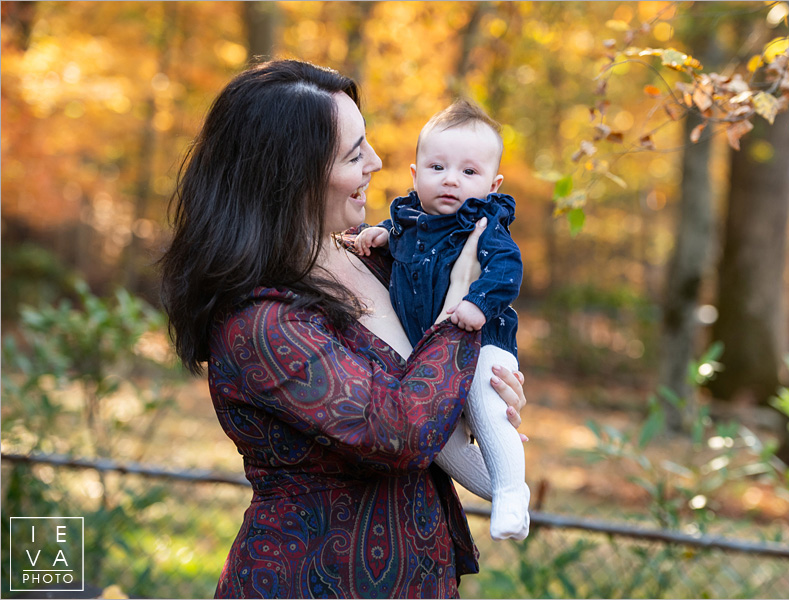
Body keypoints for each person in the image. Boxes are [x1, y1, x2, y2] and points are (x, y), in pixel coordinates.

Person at [158, 60, 528, 599]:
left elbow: (432, 386)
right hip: (312, 581)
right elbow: (400, 433)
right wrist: (459, 311)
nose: (377, 163)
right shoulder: (260, 320)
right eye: (355, 154)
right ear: (294, 173)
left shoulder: (370, 257)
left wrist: (487, 391)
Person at [353, 100, 529, 541]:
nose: (451, 180)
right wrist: (382, 235)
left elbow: (507, 271)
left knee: (488, 402)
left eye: (469, 173)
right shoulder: (408, 221)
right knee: (438, 444)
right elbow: (405, 249)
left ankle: (511, 488)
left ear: (493, 183)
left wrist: (479, 302)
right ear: (415, 175)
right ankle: (502, 486)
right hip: (425, 358)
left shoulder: (486, 224)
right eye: (437, 167)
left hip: (483, 339)